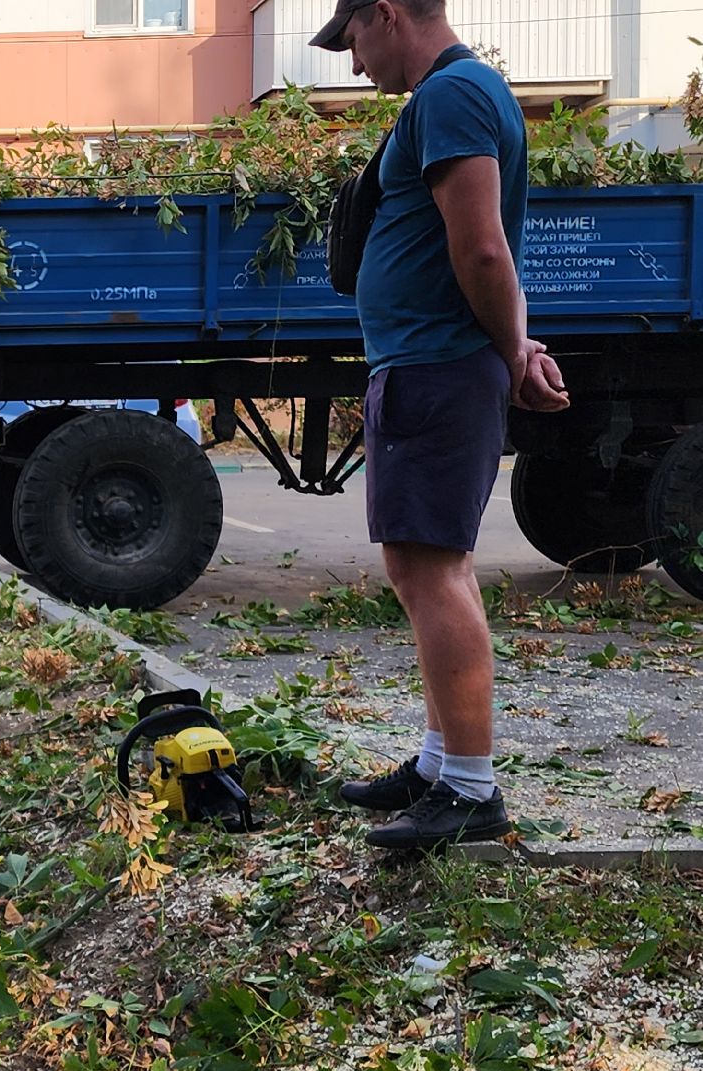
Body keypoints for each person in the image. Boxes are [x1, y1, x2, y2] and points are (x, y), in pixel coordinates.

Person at [309, 0, 570, 850]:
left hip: (435, 367)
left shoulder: (453, 96)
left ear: (385, 14)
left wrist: (509, 350)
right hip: (426, 364)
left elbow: (484, 249)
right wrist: (517, 346)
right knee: (419, 564)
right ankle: (436, 764)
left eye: (352, 42)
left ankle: (468, 790)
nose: (353, 66)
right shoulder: (452, 97)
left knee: (431, 572)